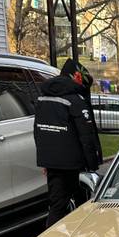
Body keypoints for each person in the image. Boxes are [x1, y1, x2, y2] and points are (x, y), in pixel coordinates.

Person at [34, 59, 102, 227]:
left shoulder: (43, 98)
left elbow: (38, 131)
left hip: (52, 162)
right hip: (74, 163)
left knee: (57, 206)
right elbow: (86, 135)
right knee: (83, 204)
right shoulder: (76, 100)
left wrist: (45, 160)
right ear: (77, 79)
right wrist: (92, 164)